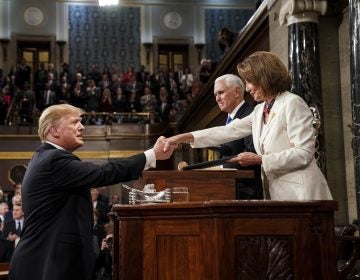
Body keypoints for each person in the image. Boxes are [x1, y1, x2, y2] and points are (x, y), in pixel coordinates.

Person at [8, 103, 174, 280]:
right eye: (75, 122)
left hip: (44, 260)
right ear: (54, 130)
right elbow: (103, 173)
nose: (82, 127)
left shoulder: (45, 158)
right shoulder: (53, 160)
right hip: (49, 264)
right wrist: (152, 155)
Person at [164, 51, 333, 201]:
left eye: (249, 81)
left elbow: (304, 154)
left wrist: (261, 159)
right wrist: (182, 138)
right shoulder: (260, 109)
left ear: (264, 77)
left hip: (304, 194)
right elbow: (228, 131)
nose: (247, 88)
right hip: (277, 194)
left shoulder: (292, 103)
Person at [212, 74, 262, 199]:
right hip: (233, 187)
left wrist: (221, 168)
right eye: (215, 95)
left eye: (221, 93)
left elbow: (252, 151)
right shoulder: (229, 117)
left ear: (237, 92)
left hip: (248, 191)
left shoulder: (250, 114)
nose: (217, 98)